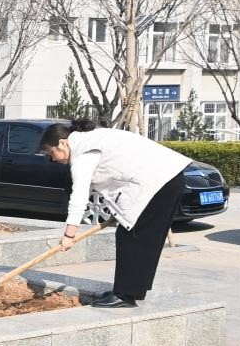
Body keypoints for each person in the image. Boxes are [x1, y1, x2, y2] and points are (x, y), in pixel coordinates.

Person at [38, 119, 190, 308]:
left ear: (62, 143)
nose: (54, 160)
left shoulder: (83, 153)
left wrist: (69, 235)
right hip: (168, 178)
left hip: (158, 183)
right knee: (144, 238)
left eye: (51, 154)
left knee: (131, 237)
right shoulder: (90, 139)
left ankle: (125, 295)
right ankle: (132, 290)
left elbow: (79, 196)